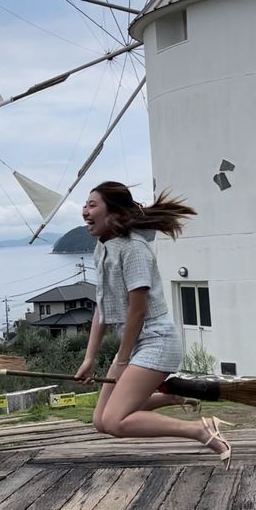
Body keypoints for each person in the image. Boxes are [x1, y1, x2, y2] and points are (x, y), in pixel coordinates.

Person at [75, 181, 233, 469]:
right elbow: (102, 306)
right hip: (134, 344)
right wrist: (89, 358)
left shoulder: (134, 249)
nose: (85, 211)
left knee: (116, 420)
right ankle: (171, 396)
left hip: (155, 341)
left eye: (92, 205)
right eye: (85, 205)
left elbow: (137, 311)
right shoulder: (103, 248)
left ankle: (201, 430)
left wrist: (121, 360)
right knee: (101, 421)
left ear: (114, 213)